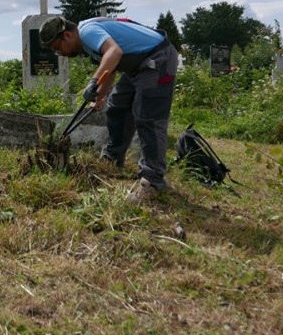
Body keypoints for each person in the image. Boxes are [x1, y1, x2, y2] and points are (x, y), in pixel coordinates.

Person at [39, 15, 179, 205]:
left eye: (58, 49)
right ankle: (112, 160)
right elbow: (110, 67)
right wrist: (100, 96)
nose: (61, 55)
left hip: (157, 58)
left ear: (67, 36)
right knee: (117, 107)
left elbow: (114, 52)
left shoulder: (87, 31)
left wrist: (93, 82)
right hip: (137, 66)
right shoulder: (89, 42)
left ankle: (152, 182)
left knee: (147, 117)